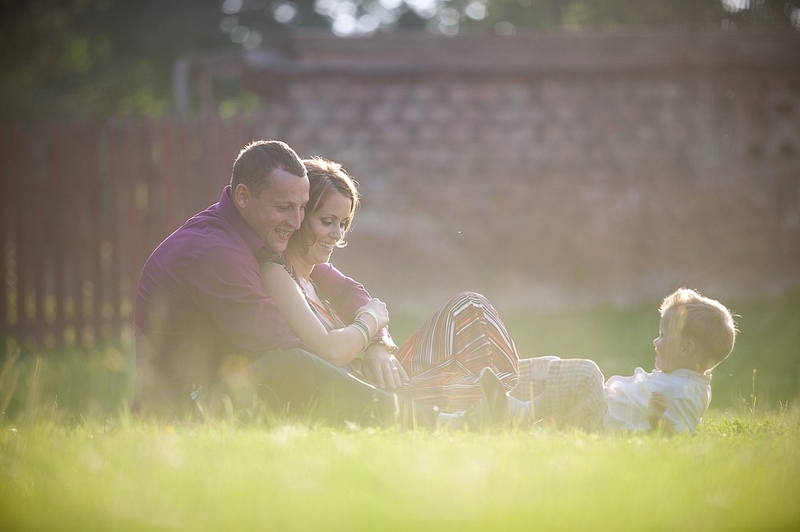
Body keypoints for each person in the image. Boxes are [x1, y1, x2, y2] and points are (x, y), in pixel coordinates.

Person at [133, 140, 436, 428]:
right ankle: (427, 420)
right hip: (182, 409)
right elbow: (291, 344)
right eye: (284, 208)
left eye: (302, 207)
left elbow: (348, 291)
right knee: (291, 365)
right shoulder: (216, 252)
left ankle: (433, 408)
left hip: (221, 388)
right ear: (243, 196)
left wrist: (377, 343)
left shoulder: (262, 238)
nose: (296, 221)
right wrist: (360, 336)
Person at [259, 156, 521, 415]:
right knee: (465, 381)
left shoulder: (315, 279)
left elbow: (353, 295)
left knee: (470, 305)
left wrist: (378, 346)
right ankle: (514, 403)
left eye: (343, 224)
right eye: (327, 221)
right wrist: (371, 320)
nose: (337, 234)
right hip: (367, 396)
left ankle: (510, 401)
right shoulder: (276, 274)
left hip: (383, 379)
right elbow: (331, 351)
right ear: (300, 216)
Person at [479, 287, 738, 433]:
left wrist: (658, 420)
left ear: (685, 348)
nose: (655, 342)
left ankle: (517, 411)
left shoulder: (688, 392)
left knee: (587, 373)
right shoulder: (678, 379)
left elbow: (680, 435)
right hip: (598, 410)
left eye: (663, 336)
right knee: (554, 367)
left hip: (600, 421)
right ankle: (486, 389)